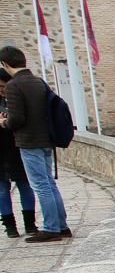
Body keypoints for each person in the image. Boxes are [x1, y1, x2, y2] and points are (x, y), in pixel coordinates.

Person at [0, 46, 70, 242]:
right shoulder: (38, 81)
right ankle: (62, 226)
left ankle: (51, 228)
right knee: (49, 183)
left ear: (5, 64)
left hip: (29, 142)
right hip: (46, 140)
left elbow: (17, 120)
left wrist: (4, 122)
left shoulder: (14, 85)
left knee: (41, 185)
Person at [0, 70, 36, 238]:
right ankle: (10, 225)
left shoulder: (17, 96)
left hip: (18, 146)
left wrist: (6, 120)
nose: (1, 89)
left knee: (24, 185)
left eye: (3, 86)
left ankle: (30, 224)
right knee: (1, 189)